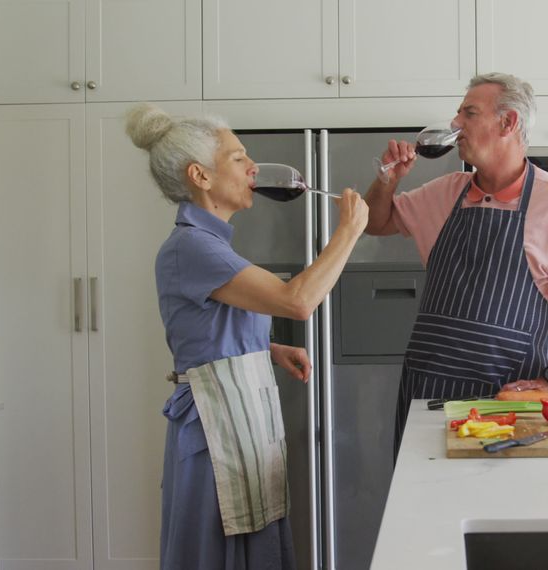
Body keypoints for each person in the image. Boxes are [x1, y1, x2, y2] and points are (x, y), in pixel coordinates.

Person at [125, 103, 368, 570]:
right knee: (217, 554)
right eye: (238, 158)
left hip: (237, 415)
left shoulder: (211, 243)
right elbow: (296, 300)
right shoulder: (193, 245)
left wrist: (269, 349)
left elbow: (206, 327)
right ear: (200, 175)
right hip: (215, 429)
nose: (253, 167)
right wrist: (350, 230)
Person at [363, 73, 548, 454]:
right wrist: (388, 180)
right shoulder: (444, 192)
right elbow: (372, 222)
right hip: (428, 397)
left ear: (508, 122)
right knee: (421, 510)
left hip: (508, 405)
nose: (455, 124)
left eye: (468, 113)